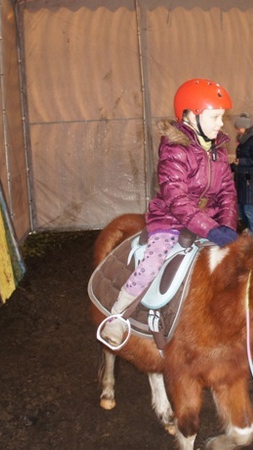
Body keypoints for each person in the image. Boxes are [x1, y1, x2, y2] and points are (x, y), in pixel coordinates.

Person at [98, 78, 239, 348]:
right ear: (191, 115)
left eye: (222, 117)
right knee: (153, 262)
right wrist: (210, 229)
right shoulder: (175, 149)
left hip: (209, 222)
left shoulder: (218, 152)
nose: (221, 124)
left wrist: (228, 227)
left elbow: (228, 193)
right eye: (216, 117)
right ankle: (118, 315)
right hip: (171, 222)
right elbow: (176, 198)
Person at [233, 113, 253, 234]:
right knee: (241, 209)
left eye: (238, 128)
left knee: (247, 208)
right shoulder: (244, 140)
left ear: (245, 127)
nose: (237, 130)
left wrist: (241, 161)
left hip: (250, 179)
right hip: (243, 178)